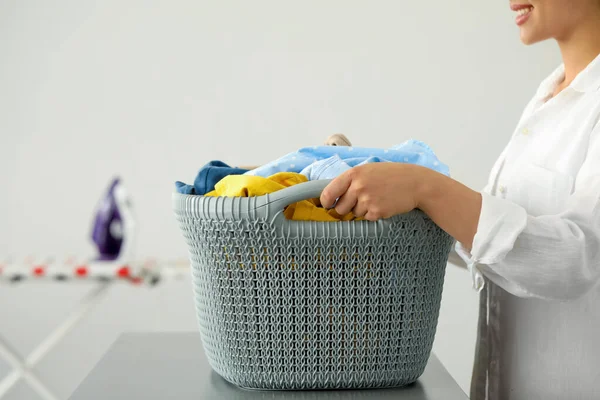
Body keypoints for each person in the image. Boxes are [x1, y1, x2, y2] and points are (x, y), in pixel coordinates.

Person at [320, 1, 600, 399]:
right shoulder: (548, 98)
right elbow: (502, 244)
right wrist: (409, 199)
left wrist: (427, 188)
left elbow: (578, 257)